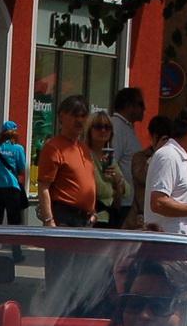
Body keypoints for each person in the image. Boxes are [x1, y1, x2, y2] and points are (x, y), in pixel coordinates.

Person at [146, 107, 187, 237]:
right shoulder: (169, 156)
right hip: (166, 245)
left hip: (178, 245)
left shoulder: (182, 158)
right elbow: (158, 203)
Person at [36, 95, 96, 228]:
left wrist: (93, 214)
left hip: (85, 220)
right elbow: (43, 187)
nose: (80, 120)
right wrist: (49, 219)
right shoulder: (53, 148)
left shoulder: (84, 147)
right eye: (75, 115)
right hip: (64, 218)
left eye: (83, 116)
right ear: (62, 116)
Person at [0, 120, 28, 249]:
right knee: (14, 221)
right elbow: (22, 170)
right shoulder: (18, 149)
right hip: (11, 188)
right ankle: (16, 251)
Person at [84, 110, 128, 226]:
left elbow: (127, 191)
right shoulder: (86, 155)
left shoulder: (108, 156)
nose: (103, 130)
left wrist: (116, 179)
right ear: (89, 131)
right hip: (93, 216)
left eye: (107, 127)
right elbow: (102, 190)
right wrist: (115, 188)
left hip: (110, 216)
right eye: (98, 127)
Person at [110, 87, 147, 224]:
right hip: (121, 204)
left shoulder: (126, 127)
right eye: (141, 104)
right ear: (128, 105)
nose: (144, 109)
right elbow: (111, 163)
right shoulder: (117, 127)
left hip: (130, 203)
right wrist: (117, 196)